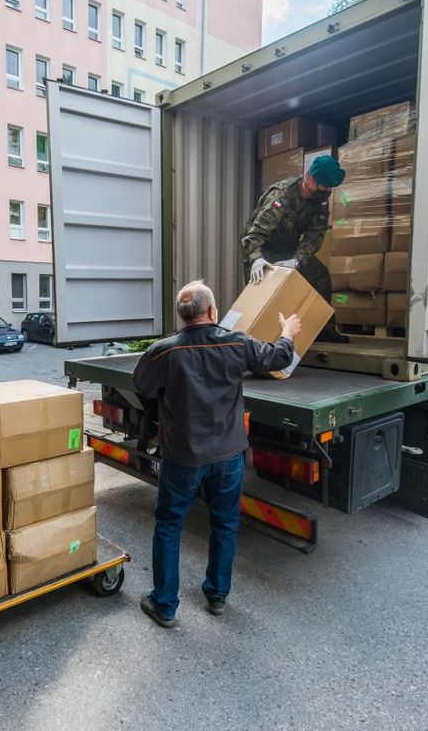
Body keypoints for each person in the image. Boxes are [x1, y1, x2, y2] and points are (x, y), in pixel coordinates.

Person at [133, 280, 302, 627]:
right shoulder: (236, 343)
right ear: (212, 311)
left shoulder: (163, 352)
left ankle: (164, 605)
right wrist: (287, 331)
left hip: (182, 456)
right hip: (228, 456)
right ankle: (217, 595)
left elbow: (143, 388)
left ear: (182, 316)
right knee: (224, 523)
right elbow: (280, 357)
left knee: (169, 524)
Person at [241, 153, 349, 343]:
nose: (327, 192)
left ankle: (323, 329)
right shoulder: (281, 196)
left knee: (320, 275)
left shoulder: (319, 201)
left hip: (289, 251)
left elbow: (315, 236)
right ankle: (257, 337)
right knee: (262, 291)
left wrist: (297, 260)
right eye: (325, 188)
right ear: (311, 179)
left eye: (330, 189)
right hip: (262, 250)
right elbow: (253, 235)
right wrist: (256, 258)